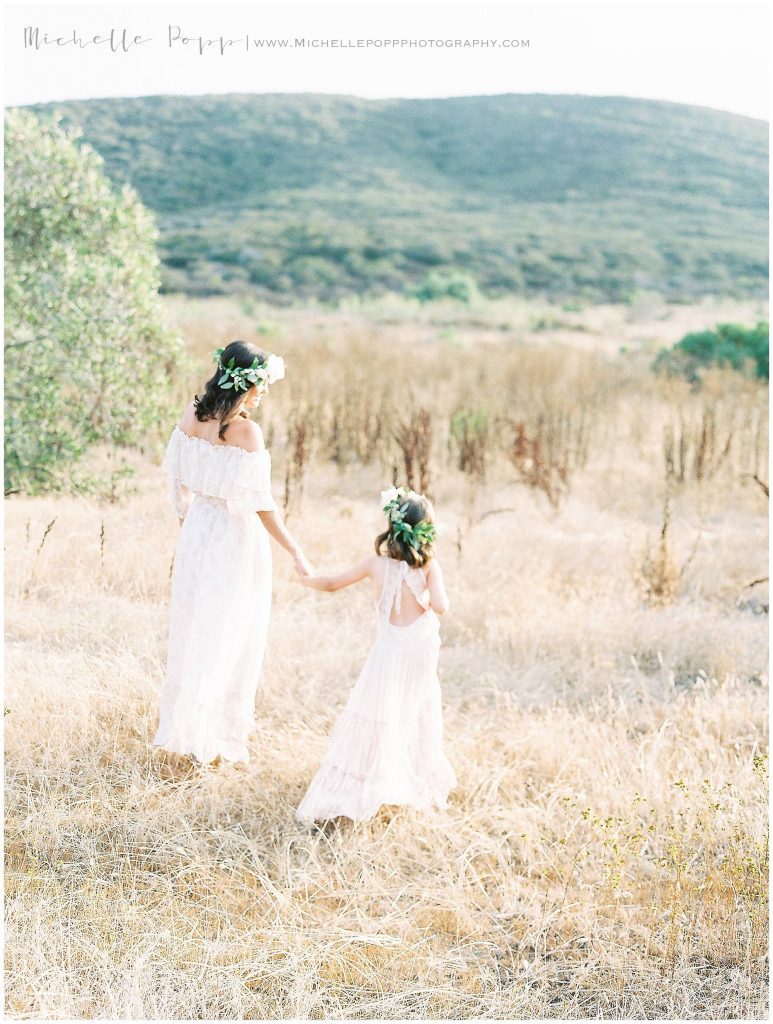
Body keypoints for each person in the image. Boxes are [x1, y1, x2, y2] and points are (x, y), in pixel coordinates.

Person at [154, 339, 313, 767]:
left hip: (199, 533)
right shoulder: (246, 432)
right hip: (233, 538)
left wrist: (186, 514)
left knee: (193, 628)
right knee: (228, 633)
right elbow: (261, 503)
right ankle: (210, 737)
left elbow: (176, 476)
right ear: (249, 384)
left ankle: (187, 729)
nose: (263, 394)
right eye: (262, 385)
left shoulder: (192, 414)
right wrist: (295, 549)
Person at [295, 486, 456, 823]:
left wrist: (307, 579)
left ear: (392, 527)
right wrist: (424, 600)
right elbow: (441, 607)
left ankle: (373, 777)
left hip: (390, 649)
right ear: (425, 531)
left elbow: (332, 584)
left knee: (381, 709)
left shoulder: (375, 564)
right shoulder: (429, 567)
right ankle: (406, 774)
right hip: (419, 650)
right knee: (412, 708)